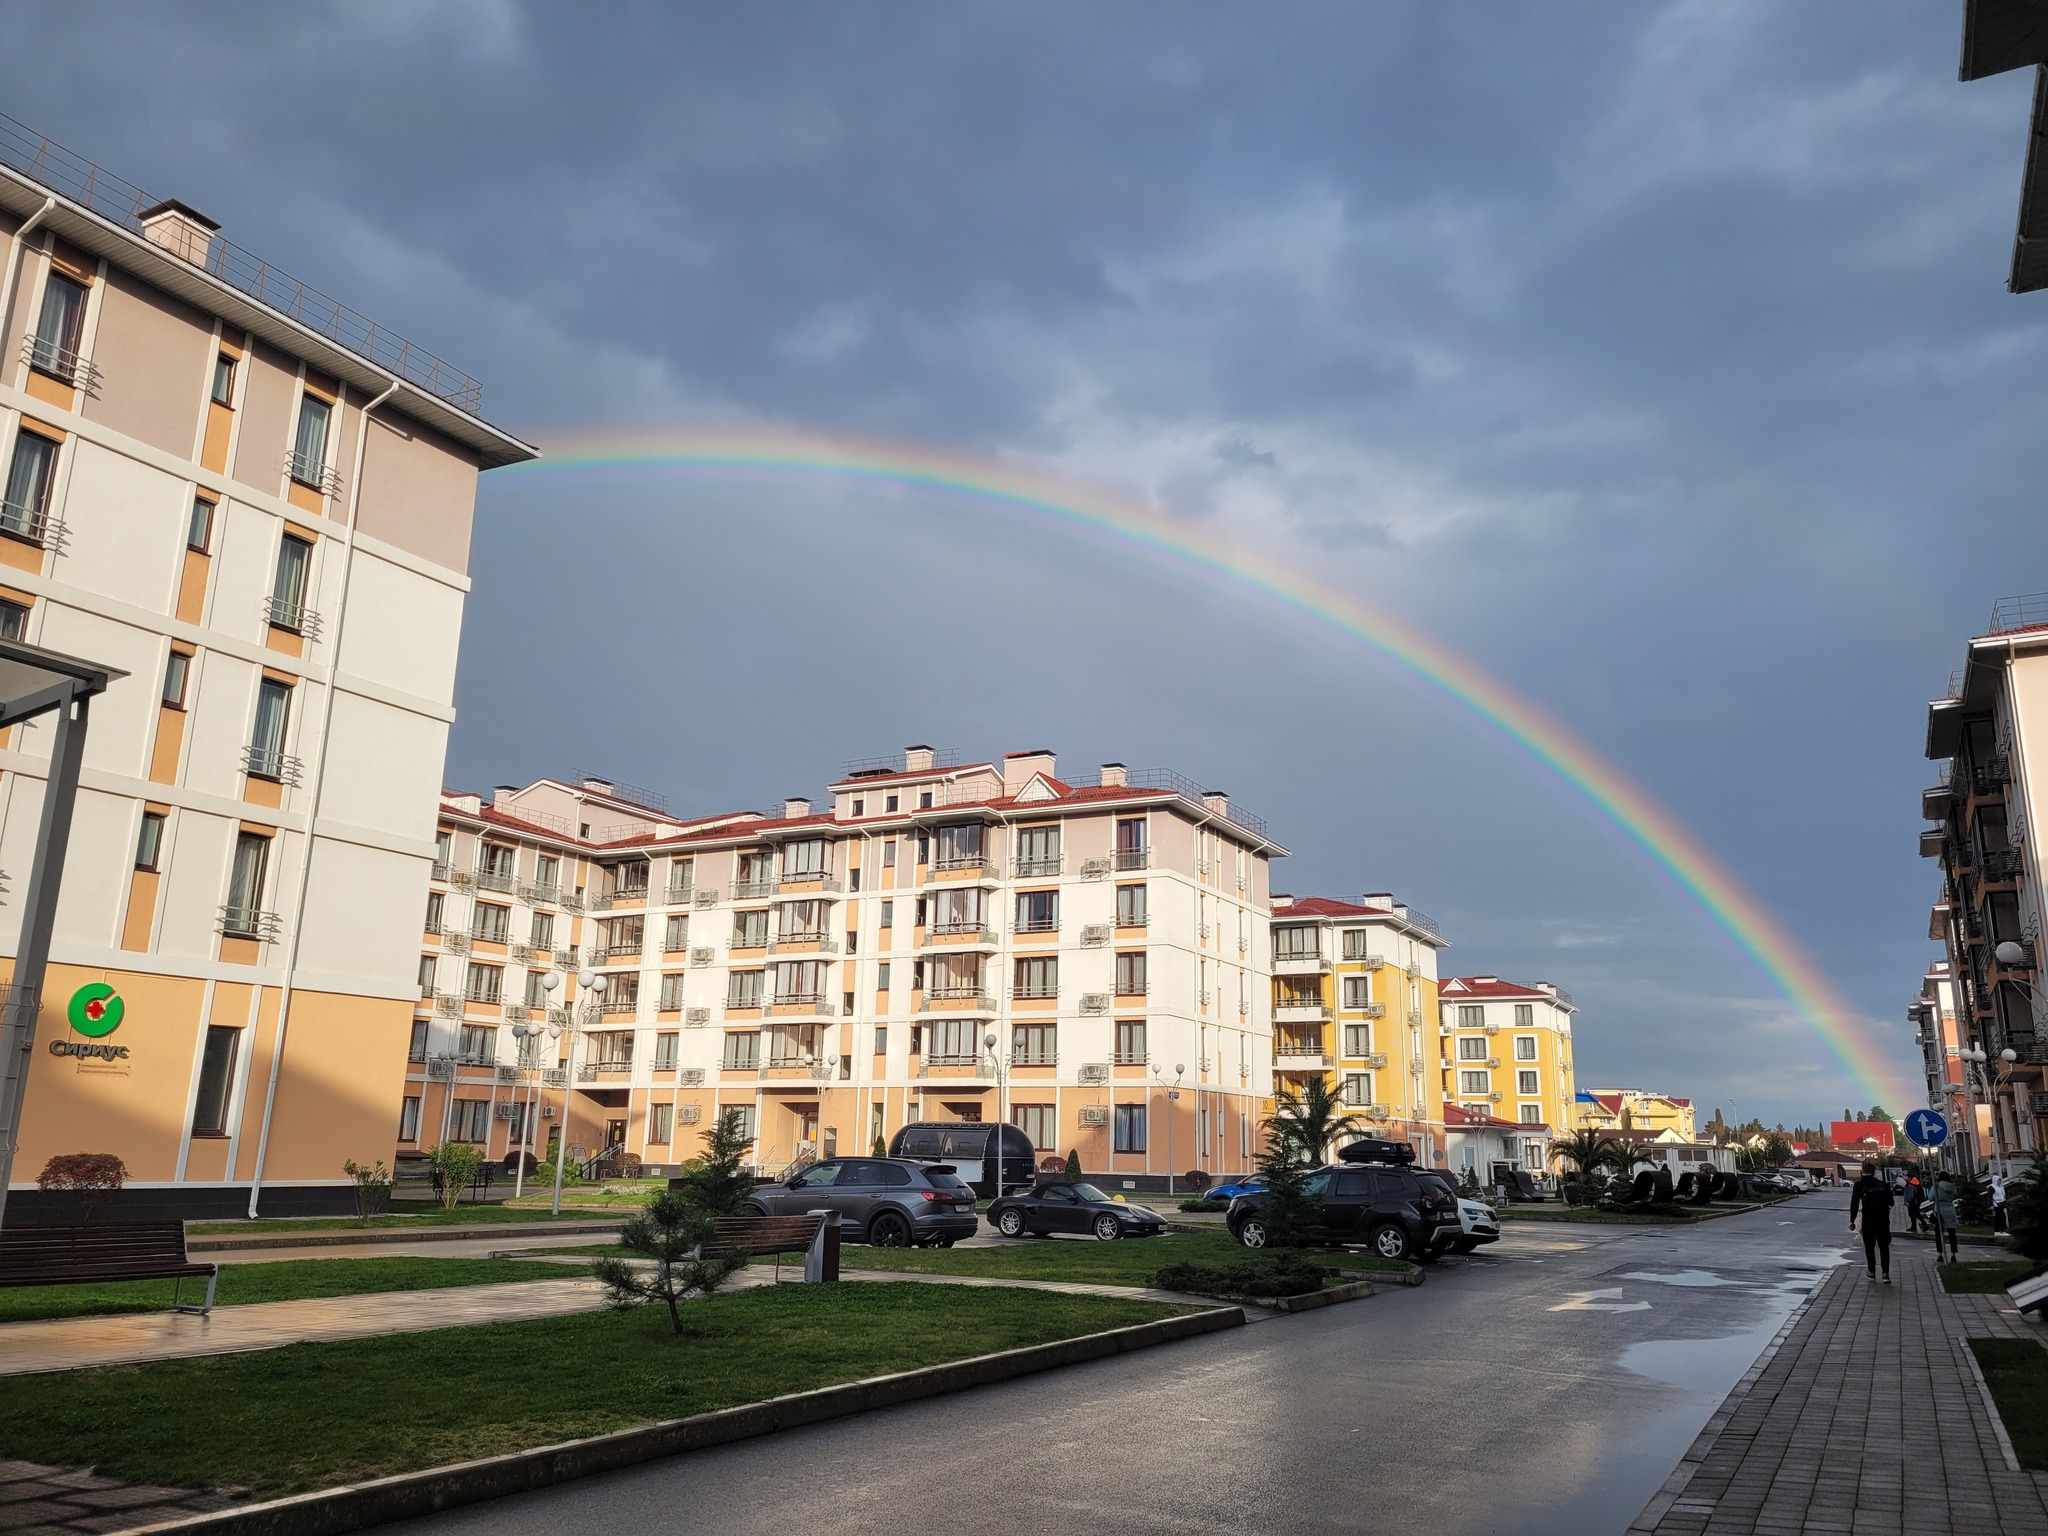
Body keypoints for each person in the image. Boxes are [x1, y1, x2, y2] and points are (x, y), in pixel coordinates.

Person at [1849, 1161, 1895, 1283]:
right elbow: (1891, 1202)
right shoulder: (1883, 1185)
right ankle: (1885, 1274)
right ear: (1874, 1172)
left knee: (1869, 1246)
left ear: (1862, 1172)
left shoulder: (1859, 1185)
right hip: (1883, 1220)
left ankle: (1871, 1272)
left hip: (1868, 1220)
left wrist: (1852, 1220)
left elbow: (1854, 1204)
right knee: (1884, 1247)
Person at [1930, 1171, 1961, 1264]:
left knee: (1939, 1233)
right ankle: (1953, 1254)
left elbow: (1930, 1197)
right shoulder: (1952, 1186)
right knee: (1952, 1233)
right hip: (1950, 1209)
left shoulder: (1936, 1185)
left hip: (1939, 1209)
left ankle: (1940, 1254)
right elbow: (1955, 1194)